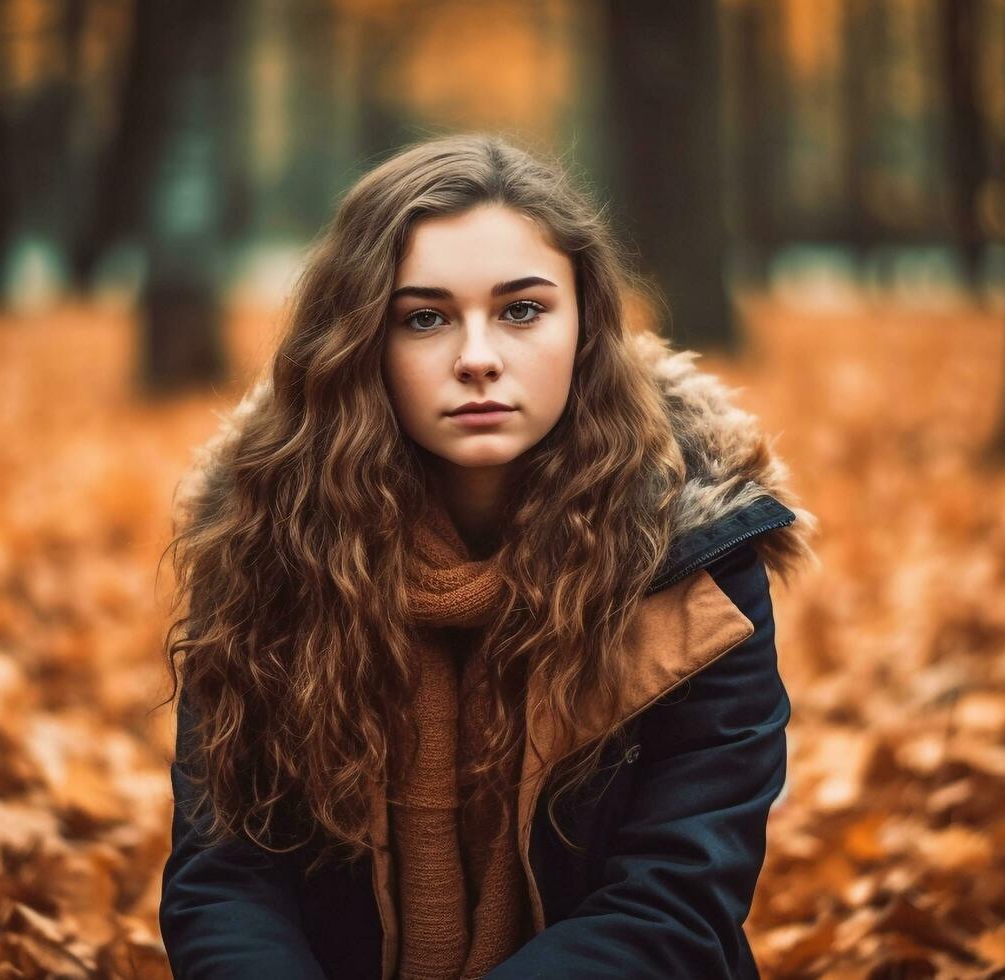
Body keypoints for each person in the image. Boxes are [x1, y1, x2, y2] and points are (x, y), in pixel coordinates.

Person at [158, 133, 816, 980]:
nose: (476, 358)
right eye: (424, 318)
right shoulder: (270, 545)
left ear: (585, 326)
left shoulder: (692, 556)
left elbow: (676, 900)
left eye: (521, 310)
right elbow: (226, 879)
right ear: (362, 342)